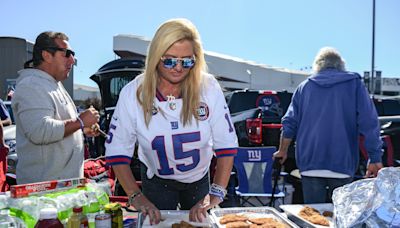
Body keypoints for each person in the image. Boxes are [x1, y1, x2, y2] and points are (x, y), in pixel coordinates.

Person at [105, 18, 238, 224]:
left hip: (198, 179)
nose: (178, 68)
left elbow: (226, 146)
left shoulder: (208, 87)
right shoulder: (133, 93)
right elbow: (118, 150)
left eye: (187, 61)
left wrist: (216, 193)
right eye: (169, 60)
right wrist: (135, 195)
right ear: (155, 56)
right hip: (156, 180)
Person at [273, 47, 383, 204]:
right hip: (342, 164)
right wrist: (375, 157)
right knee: (340, 218)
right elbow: (369, 122)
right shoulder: (354, 85)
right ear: (341, 65)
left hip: (310, 164)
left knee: (313, 219)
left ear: (317, 65)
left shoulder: (304, 87)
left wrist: (282, 150)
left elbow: (290, 123)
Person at [12, 31, 100, 184]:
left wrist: (82, 129)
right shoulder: (31, 85)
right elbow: (39, 131)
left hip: (60, 191)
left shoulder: (52, 84)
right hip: (43, 194)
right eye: (67, 53)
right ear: (46, 55)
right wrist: (79, 122)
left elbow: (58, 126)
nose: (72, 60)